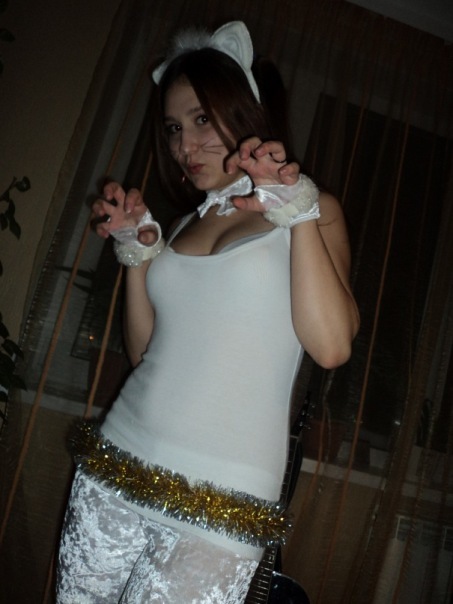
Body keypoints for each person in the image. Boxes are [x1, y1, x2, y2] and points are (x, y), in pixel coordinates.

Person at [56, 21, 359, 603]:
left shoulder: (313, 208)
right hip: (117, 462)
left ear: (244, 112)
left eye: (201, 120)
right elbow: (145, 354)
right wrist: (138, 254)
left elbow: (331, 346)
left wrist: (294, 211)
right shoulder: (182, 225)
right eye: (174, 128)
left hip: (223, 503)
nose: (185, 147)